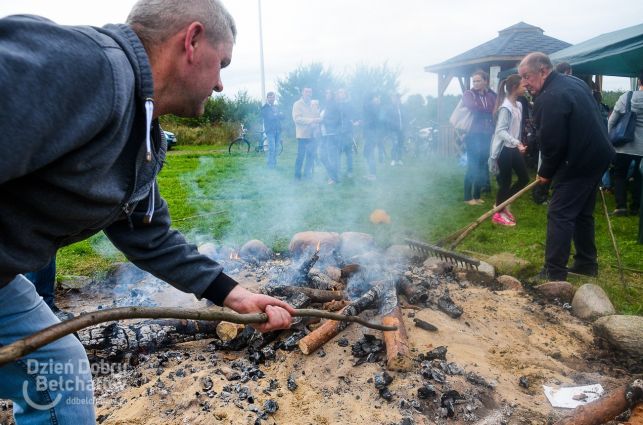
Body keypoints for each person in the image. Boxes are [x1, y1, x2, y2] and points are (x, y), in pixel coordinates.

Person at [0, 2, 294, 423]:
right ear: (191, 41)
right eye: (221, 63)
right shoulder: (87, 66)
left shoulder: (141, 133)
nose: (221, 85)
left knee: (57, 370)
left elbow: (147, 234)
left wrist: (234, 294)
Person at [519, 52, 615, 281]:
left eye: (527, 76)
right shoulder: (572, 82)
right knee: (582, 212)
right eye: (521, 78)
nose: (524, 83)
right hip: (598, 155)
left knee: (559, 212)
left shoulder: (549, 98)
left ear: (543, 71)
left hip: (580, 160)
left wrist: (545, 175)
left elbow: (553, 145)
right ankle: (586, 263)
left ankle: (554, 273)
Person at [488, 74, 530, 227]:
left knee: (524, 179)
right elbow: (500, 131)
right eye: (523, 86)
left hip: (513, 148)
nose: (525, 88)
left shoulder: (518, 105)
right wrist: (516, 142)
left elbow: (516, 128)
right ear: (514, 88)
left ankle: (501, 205)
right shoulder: (505, 108)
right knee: (505, 183)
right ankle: (498, 213)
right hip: (504, 150)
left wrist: (519, 144)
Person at [607, 73, 643, 217]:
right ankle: (636, 207)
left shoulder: (626, 97)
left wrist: (609, 139)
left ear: (639, 80)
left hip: (623, 145)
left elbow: (611, 121)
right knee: (639, 177)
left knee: (620, 174)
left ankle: (621, 206)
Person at [462, 70, 496, 205]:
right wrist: (487, 111)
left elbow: (495, 108)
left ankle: (476, 195)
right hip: (473, 135)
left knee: (482, 165)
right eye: (474, 81)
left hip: (486, 134)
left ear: (485, 81)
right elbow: (473, 108)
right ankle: (467, 197)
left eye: (478, 81)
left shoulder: (490, 95)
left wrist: (486, 110)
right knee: (472, 165)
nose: (475, 83)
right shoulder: (468, 94)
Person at [292, 87, 321, 180]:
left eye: (310, 92)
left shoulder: (314, 104)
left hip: (312, 134)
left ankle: (307, 175)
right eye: (306, 91)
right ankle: (297, 176)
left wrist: (316, 124)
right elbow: (297, 119)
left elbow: (317, 116)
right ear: (302, 93)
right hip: (302, 135)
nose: (308, 93)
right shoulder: (297, 104)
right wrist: (311, 121)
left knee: (311, 155)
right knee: (301, 156)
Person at [320, 89, 341, 184]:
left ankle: (334, 178)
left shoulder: (334, 105)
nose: (326, 94)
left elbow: (336, 120)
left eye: (328, 93)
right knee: (323, 156)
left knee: (332, 157)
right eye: (326, 93)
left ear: (332, 95)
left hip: (332, 134)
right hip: (325, 134)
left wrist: (323, 121)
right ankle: (333, 176)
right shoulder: (327, 105)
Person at [362, 93, 383, 180]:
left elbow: (373, 120)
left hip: (373, 134)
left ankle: (373, 174)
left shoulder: (375, 108)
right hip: (370, 134)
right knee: (367, 153)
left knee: (369, 153)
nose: (374, 100)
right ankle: (371, 173)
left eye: (376, 98)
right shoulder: (373, 108)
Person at [261, 91, 283, 169]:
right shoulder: (265, 108)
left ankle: (274, 163)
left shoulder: (277, 107)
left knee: (277, 148)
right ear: (267, 98)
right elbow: (270, 117)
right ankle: (270, 165)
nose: (271, 98)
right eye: (270, 97)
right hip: (270, 131)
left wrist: (277, 114)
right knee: (272, 148)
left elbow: (283, 116)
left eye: (273, 97)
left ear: (274, 98)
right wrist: (277, 114)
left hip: (278, 130)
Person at [387, 93, 405, 166]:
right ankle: (393, 159)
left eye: (398, 98)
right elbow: (388, 120)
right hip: (393, 130)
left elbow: (405, 118)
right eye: (394, 98)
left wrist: (405, 127)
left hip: (401, 130)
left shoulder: (402, 108)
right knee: (395, 144)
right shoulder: (390, 108)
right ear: (392, 100)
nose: (396, 100)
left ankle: (399, 159)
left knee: (400, 144)